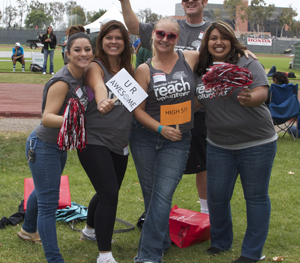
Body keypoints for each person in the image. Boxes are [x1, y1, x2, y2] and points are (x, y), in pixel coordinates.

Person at [115, 0, 211, 214]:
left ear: (204, 1)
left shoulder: (212, 30)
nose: (190, 1)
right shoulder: (169, 26)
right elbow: (133, 25)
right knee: (156, 179)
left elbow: (226, 48)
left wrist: (244, 50)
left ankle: (206, 212)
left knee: (202, 165)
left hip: (194, 112)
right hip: (156, 115)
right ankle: (154, 215)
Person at [194, 21, 277, 263]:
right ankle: (220, 241)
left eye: (224, 38)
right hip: (219, 145)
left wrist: (250, 97)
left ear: (232, 41)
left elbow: (263, 91)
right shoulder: (201, 69)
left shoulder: (247, 62)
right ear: (206, 43)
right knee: (217, 196)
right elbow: (195, 102)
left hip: (257, 143)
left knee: (256, 196)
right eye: (213, 38)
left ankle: (252, 252)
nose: (218, 42)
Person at [17, 26, 93, 263]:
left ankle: (27, 230)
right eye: (77, 50)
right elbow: (47, 117)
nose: (83, 54)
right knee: (49, 203)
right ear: (67, 52)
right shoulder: (62, 81)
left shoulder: (83, 75)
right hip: (44, 145)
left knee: (44, 192)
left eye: (88, 49)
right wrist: (77, 122)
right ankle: (54, 259)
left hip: (57, 147)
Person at [129, 16, 200, 263]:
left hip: (179, 139)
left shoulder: (189, 58)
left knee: (162, 195)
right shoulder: (144, 69)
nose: (165, 39)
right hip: (145, 138)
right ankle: (160, 241)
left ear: (177, 39)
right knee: (152, 196)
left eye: (171, 36)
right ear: (152, 35)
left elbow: (216, 49)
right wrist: (161, 129)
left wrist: (243, 48)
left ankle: (147, 256)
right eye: (160, 34)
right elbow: (137, 111)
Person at [77, 20, 134, 263]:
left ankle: (90, 230)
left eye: (118, 38)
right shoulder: (95, 66)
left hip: (120, 141)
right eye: (108, 37)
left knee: (107, 191)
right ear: (101, 41)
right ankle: (105, 255)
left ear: (125, 42)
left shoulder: (129, 70)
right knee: (110, 193)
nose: (113, 41)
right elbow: (99, 85)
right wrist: (101, 101)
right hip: (94, 139)